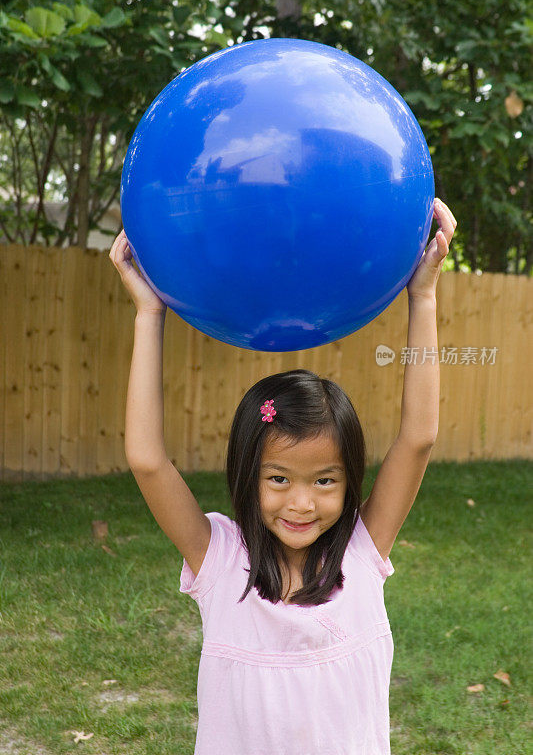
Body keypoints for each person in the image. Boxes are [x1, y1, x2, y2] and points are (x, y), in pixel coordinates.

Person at [109, 198, 457, 754]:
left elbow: (418, 437)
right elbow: (148, 460)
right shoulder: (221, 561)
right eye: (278, 479)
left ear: (351, 480)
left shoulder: (362, 553)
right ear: (248, 475)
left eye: (325, 481)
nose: (301, 502)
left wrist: (424, 294)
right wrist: (148, 314)